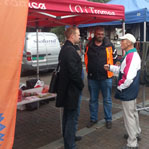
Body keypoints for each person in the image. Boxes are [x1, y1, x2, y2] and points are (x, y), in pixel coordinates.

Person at [104, 33, 141, 149]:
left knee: (128, 115)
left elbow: (128, 77)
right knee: (133, 113)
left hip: (128, 90)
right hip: (132, 90)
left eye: (123, 40)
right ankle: (136, 132)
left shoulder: (131, 56)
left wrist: (120, 87)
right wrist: (110, 67)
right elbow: (122, 70)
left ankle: (132, 143)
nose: (121, 42)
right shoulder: (132, 54)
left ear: (129, 43)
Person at [56, 27, 84, 149]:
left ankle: (70, 137)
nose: (79, 37)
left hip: (67, 88)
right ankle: (70, 144)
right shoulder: (69, 50)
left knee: (68, 115)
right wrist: (81, 84)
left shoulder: (66, 49)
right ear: (72, 36)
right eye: (78, 35)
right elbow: (74, 73)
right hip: (71, 90)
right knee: (71, 116)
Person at [85, 27, 118, 129]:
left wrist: (114, 69)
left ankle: (108, 119)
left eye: (102, 34)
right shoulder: (88, 45)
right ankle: (93, 119)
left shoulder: (109, 45)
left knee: (107, 100)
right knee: (93, 100)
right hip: (92, 77)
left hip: (106, 77)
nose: (100, 36)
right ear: (95, 34)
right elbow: (85, 58)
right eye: (98, 34)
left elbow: (116, 59)